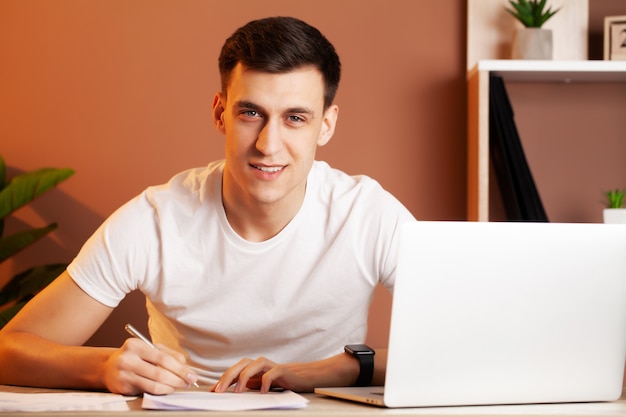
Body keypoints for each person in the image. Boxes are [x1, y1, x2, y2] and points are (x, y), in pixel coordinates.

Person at [0, 16, 415, 396]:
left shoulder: (367, 213)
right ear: (220, 114)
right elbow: (8, 348)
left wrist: (327, 370)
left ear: (326, 125)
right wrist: (103, 365)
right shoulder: (155, 219)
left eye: (295, 118)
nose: (269, 145)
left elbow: (470, 343)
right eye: (251, 113)